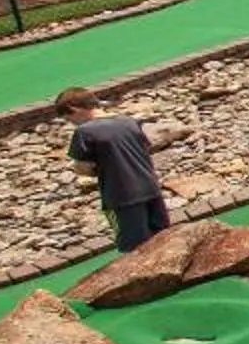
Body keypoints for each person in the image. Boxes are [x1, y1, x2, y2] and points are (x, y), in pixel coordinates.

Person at [59, 87, 168, 252]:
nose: (72, 123)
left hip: (121, 197)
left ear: (74, 109)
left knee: (134, 251)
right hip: (151, 189)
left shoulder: (84, 132)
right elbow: (145, 149)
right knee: (165, 242)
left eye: (69, 119)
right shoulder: (129, 122)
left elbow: (83, 168)